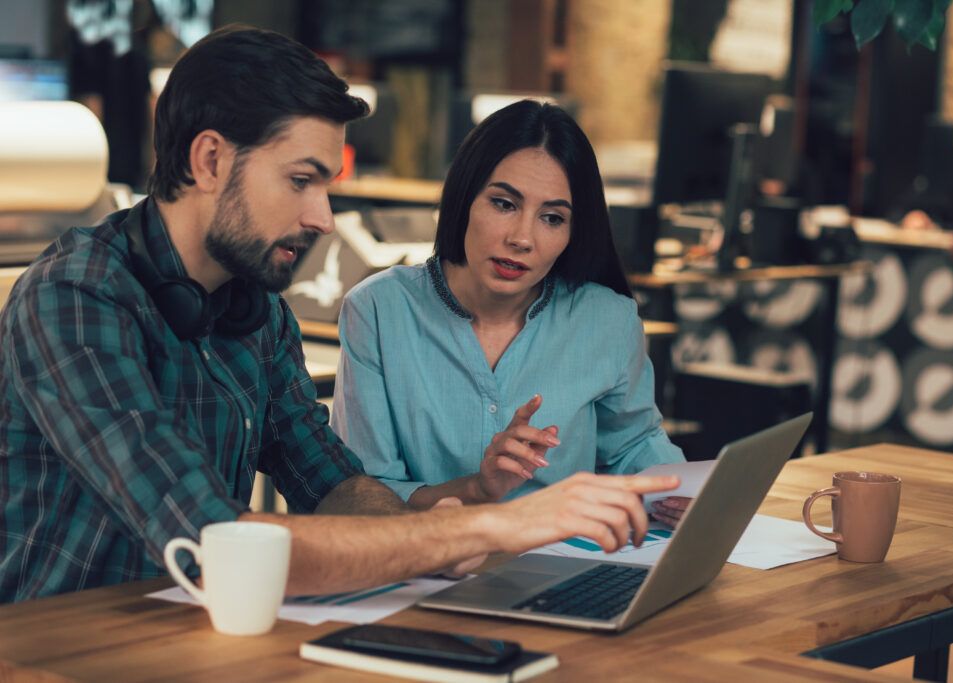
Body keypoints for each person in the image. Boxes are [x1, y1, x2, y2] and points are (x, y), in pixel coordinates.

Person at [0, 27, 679, 603]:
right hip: (60, 651)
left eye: (327, 183)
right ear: (209, 160)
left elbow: (334, 484)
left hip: (201, 638)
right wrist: (485, 526)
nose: (322, 216)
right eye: (302, 180)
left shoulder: (256, 311)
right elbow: (214, 543)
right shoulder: (75, 298)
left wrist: (430, 535)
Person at [332, 100, 689, 527]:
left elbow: (635, 444)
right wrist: (475, 490)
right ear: (465, 198)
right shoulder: (378, 310)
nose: (522, 238)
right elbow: (364, 492)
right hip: (429, 565)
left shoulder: (607, 318)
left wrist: (681, 492)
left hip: (564, 564)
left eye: (552, 218)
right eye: (504, 204)